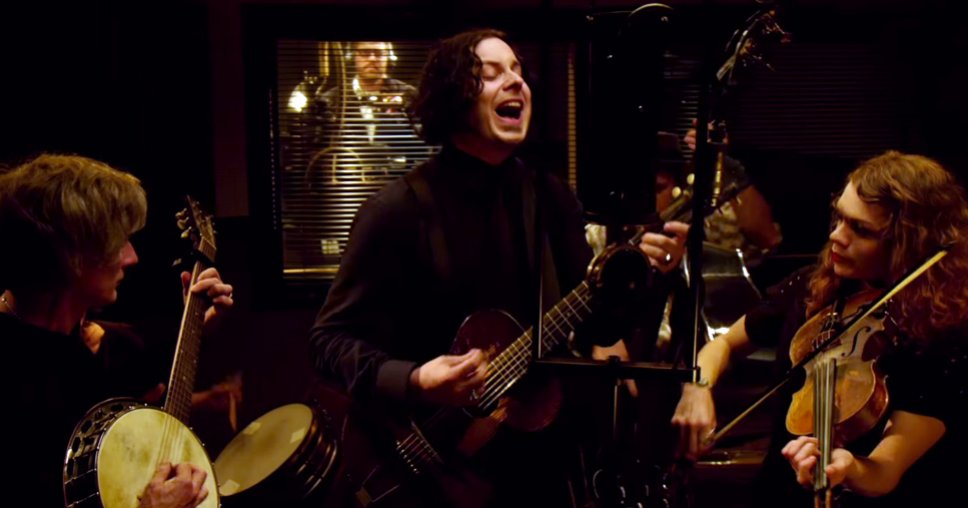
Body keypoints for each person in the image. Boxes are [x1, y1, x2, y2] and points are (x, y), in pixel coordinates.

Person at [310, 28, 684, 508]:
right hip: (425, 464)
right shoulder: (398, 210)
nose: (514, 82)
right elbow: (328, 341)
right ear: (452, 96)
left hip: (536, 468)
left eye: (517, 71)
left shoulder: (549, 198)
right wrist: (415, 379)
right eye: (490, 74)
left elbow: (598, 325)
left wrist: (651, 276)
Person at [671, 150, 968, 507]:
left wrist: (850, 467)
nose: (837, 237)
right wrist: (698, 386)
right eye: (839, 218)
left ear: (910, 243)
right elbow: (724, 345)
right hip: (776, 493)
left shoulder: (943, 334)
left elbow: (886, 470)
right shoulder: (812, 288)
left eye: (861, 230)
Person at [0, 154, 235, 507]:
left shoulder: (84, 345)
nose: (131, 257)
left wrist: (196, 325)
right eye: (117, 242)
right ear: (70, 255)